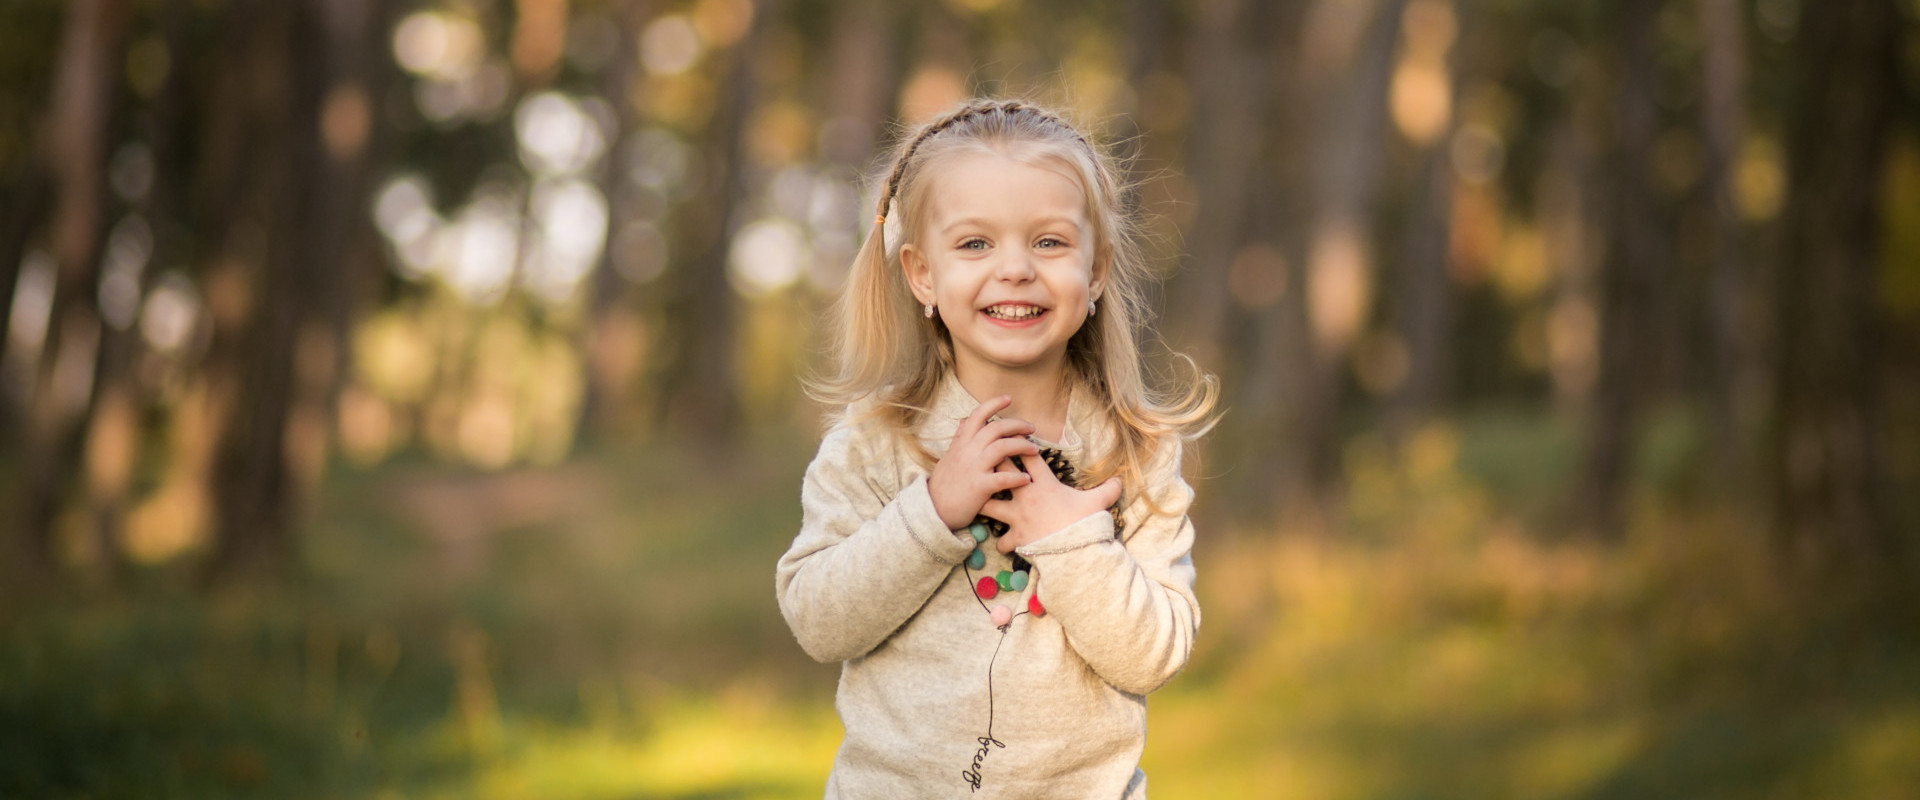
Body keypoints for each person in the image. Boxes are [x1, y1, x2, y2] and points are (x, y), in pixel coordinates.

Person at [775, 98, 1217, 799]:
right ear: (922, 274)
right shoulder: (874, 444)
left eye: (1048, 242)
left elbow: (1154, 655)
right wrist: (930, 514)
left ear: (1096, 271)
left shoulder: (1133, 453)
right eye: (975, 244)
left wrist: (1074, 541)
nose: (1015, 269)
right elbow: (819, 621)